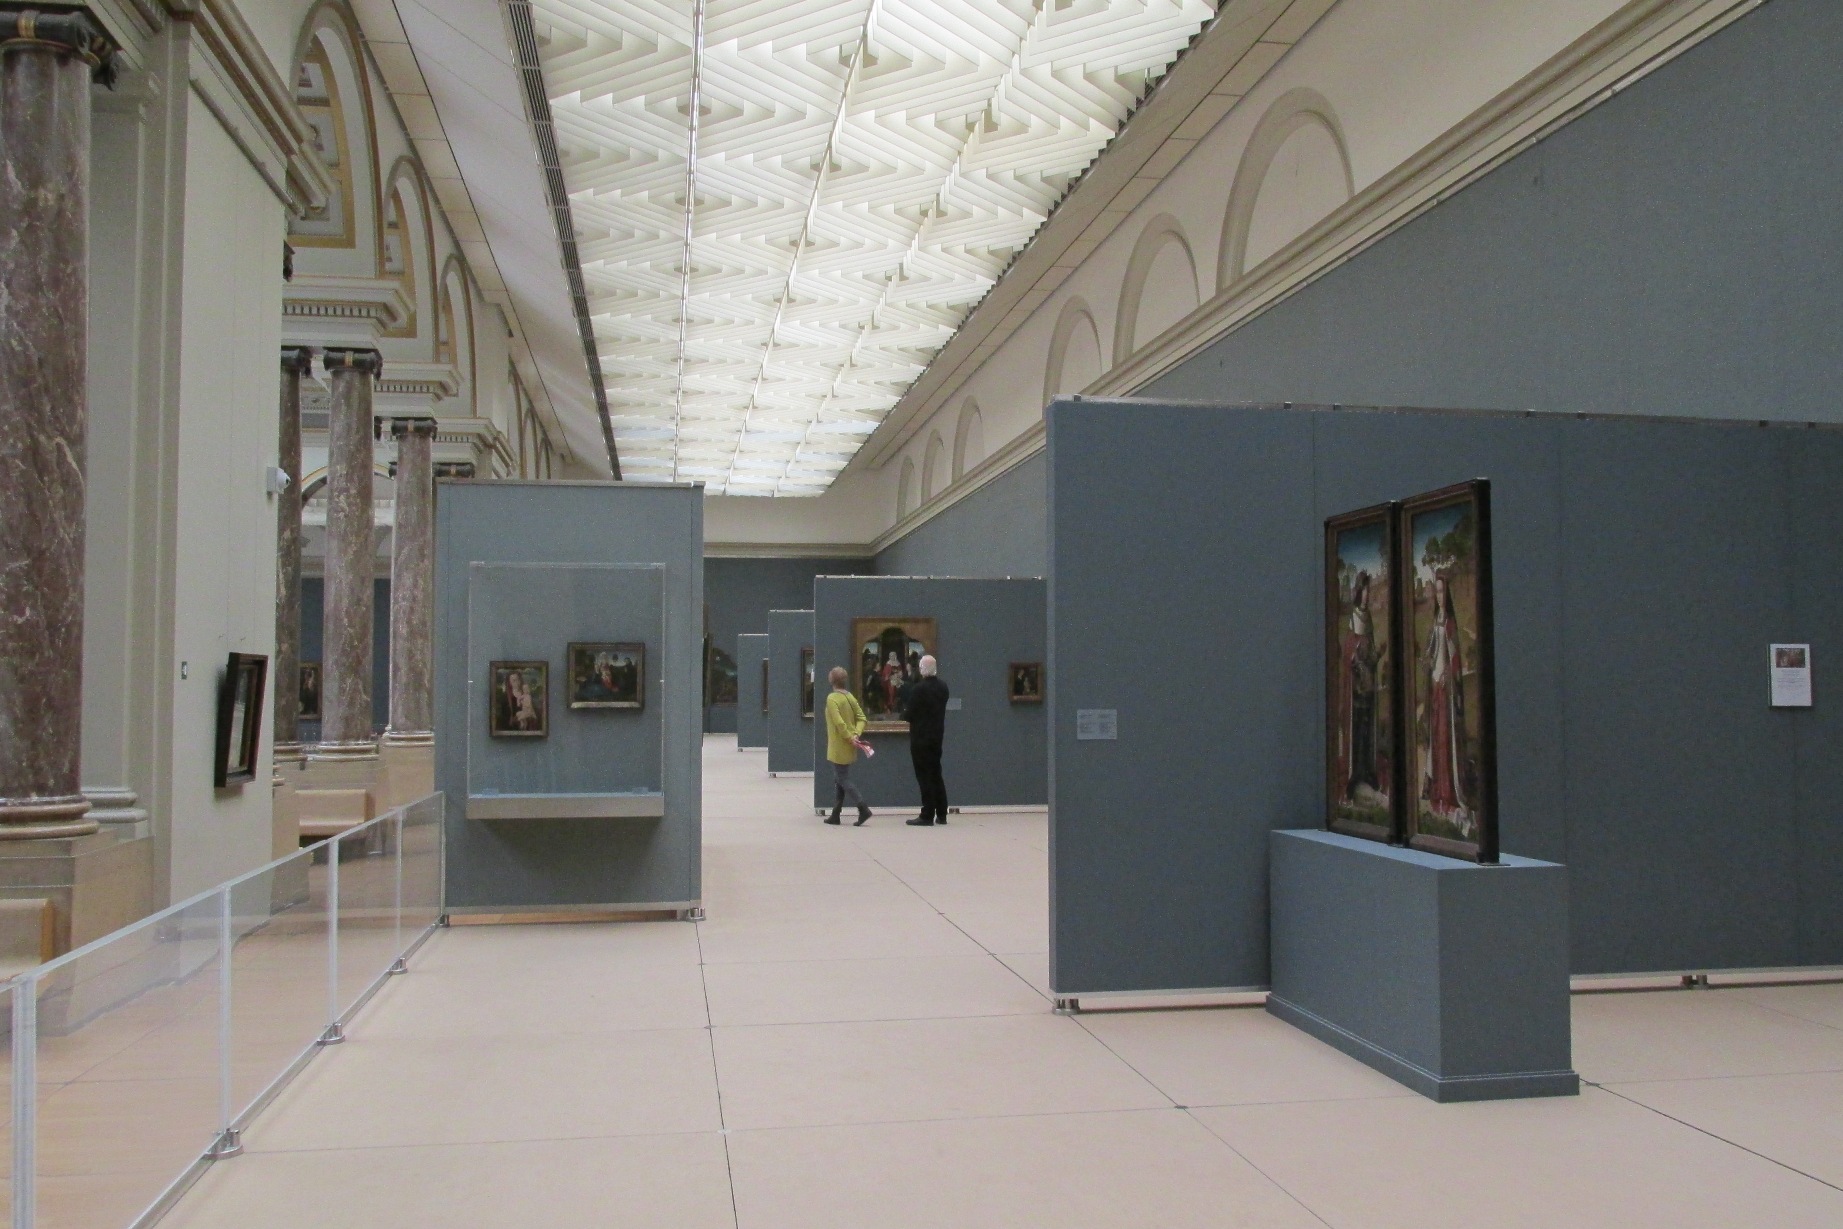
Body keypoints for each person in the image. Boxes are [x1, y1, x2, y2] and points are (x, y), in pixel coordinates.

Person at [901, 654, 950, 827]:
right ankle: (942, 813)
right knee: (936, 773)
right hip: (937, 737)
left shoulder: (919, 689)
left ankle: (927, 814)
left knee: (924, 776)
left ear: (922, 669)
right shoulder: (943, 687)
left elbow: (908, 714)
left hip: (921, 738)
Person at [823, 666, 873, 826]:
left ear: (831, 680)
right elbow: (862, 718)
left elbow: (838, 722)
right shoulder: (849, 697)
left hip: (839, 744)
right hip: (850, 742)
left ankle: (863, 807)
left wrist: (848, 737)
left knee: (842, 778)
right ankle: (836, 813)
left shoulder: (832, 698)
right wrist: (856, 734)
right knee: (839, 778)